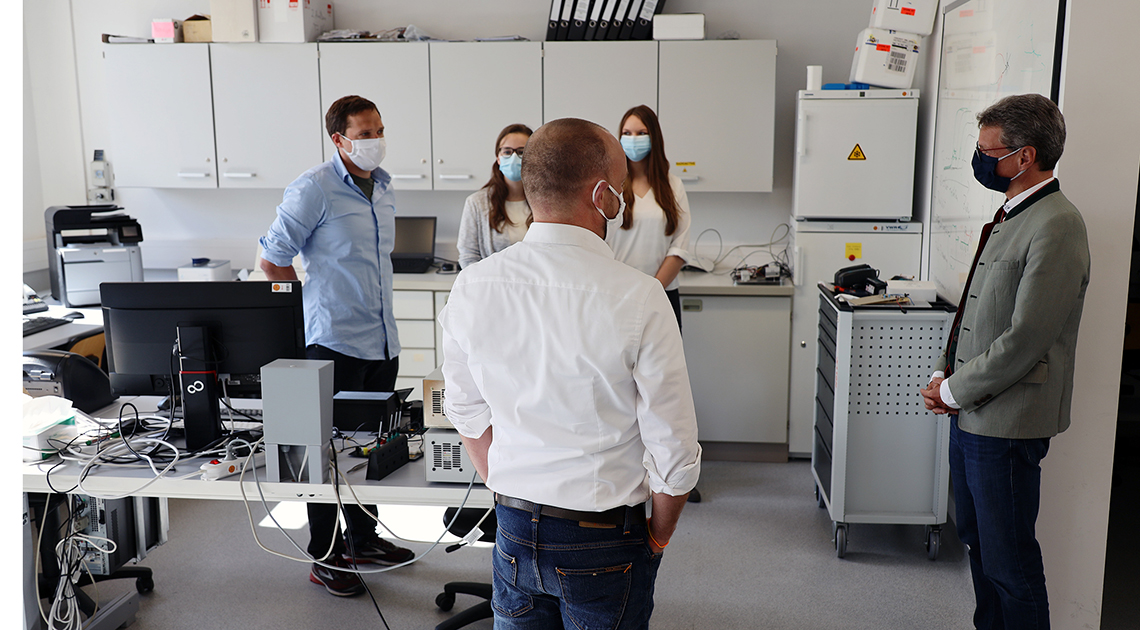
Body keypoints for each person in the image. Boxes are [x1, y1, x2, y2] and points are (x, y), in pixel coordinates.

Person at [438, 117, 702, 629]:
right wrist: (658, 537)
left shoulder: (474, 287)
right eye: (621, 189)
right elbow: (674, 450)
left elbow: (466, 411)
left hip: (513, 527)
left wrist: (506, 482)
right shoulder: (641, 297)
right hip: (603, 536)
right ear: (601, 194)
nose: (622, 200)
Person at [919, 94, 1090, 630]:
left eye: (986, 150)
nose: (979, 159)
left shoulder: (1057, 224)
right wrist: (947, 370)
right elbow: (978, 305)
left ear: (1024, 156)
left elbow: (1026, 338)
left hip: (1007, 422)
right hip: (973, 411)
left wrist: (954, 391)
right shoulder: (1012, 212)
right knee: (978, 544)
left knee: (1010, 561)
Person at [259, 95, 415, 597]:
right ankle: (324, 555)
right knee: (326, 455)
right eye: (365, 132)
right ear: (339, 139)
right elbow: (272, 259)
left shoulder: (385, 188)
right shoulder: (314, 188)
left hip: (381, 339)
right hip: (333, 342)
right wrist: (308, 310)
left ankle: (362, 539)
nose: (375, 139)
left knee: (370, 449)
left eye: (379, 129)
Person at [606, 105, 692, 328]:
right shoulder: (609, 187)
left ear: (654, 137)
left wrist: (651, 291)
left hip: (662, 295)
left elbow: (679, 247)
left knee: (664, 363)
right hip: (616, 296)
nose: (633, 139)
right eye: (627, 133)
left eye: (641, 133)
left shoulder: (673, 185)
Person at [457, 123, 534, 269]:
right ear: (498, 158)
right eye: (507, 152)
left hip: (534, 288)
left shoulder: (546, 201)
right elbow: (468, 257)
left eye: (521, 152)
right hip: (493, 289)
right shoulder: (477, 203)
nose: (513, 157)